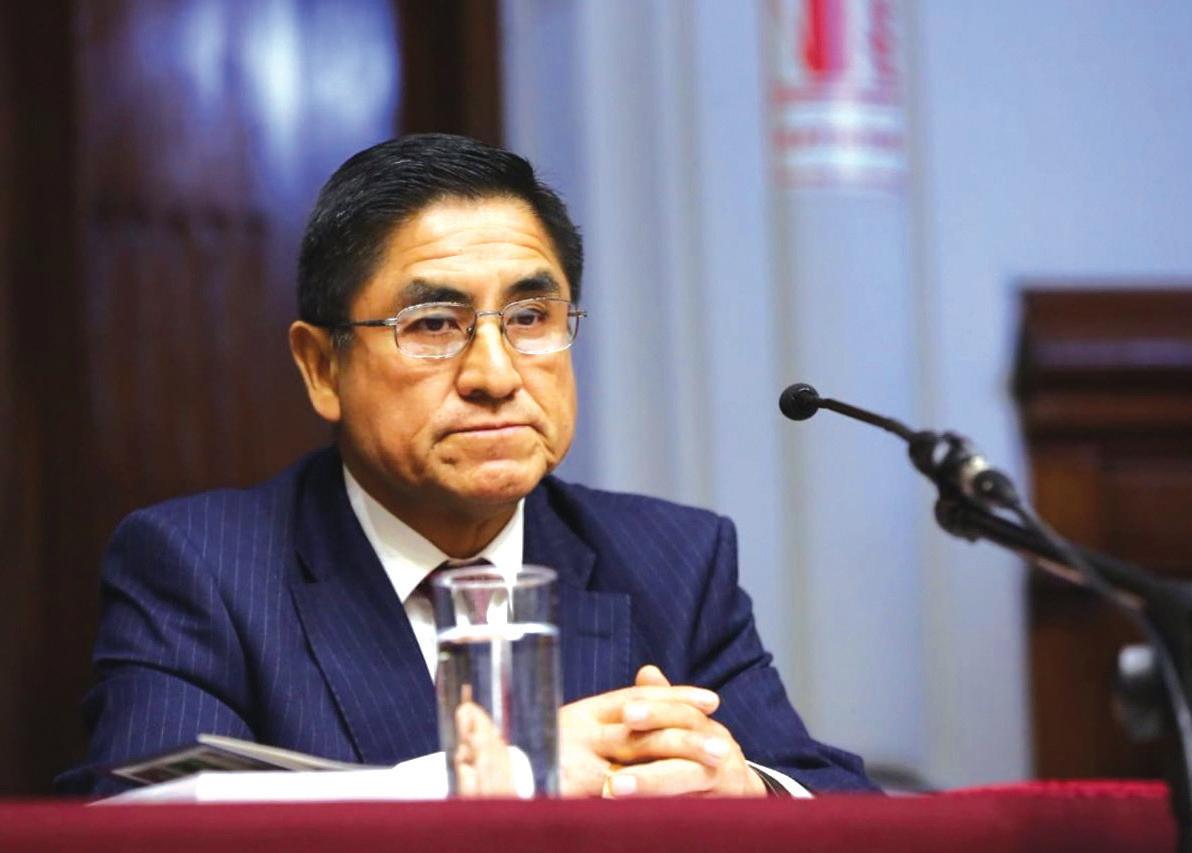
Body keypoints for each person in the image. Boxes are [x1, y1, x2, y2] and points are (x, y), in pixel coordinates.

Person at [59, 134, 875, 798]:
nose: (495, 372)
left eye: (531, 317)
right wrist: (496, 779)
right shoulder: (203, 568)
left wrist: (746, 790)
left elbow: (838, 801)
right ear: (321, 367)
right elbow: (134, 825)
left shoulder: (673, 560)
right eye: (433, 324)